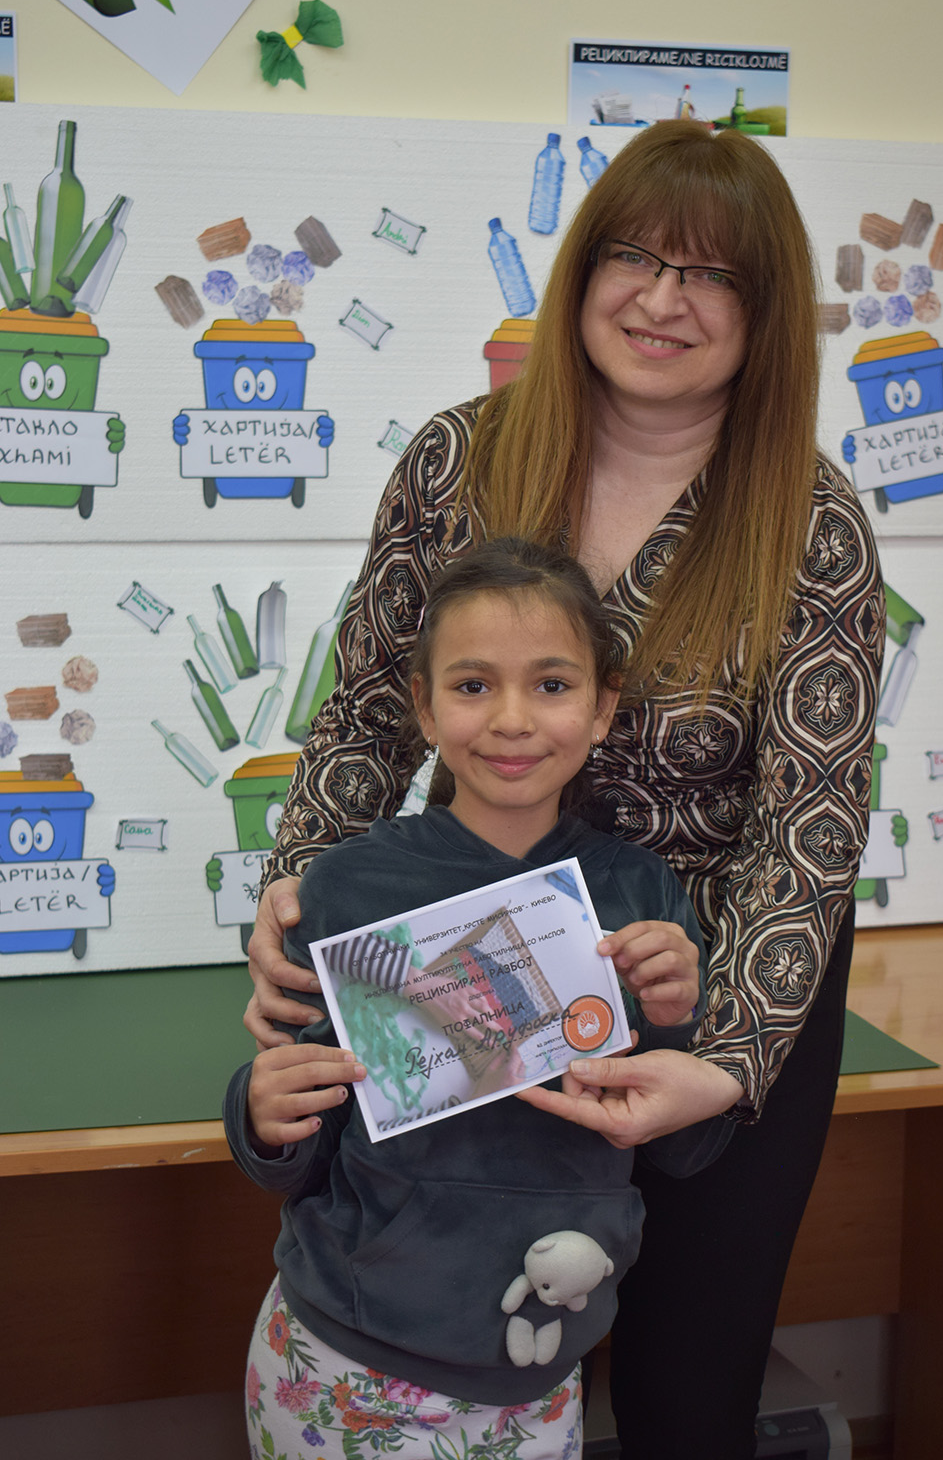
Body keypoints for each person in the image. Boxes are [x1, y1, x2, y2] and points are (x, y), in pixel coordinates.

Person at [243, 120, 885, 1458]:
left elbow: (811, 827)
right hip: (473, 958)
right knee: (464, 1338)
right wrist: (297, 907)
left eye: (711, 276)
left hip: (707, 987)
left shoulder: (811, 521)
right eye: (636, 257)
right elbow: (366, 714)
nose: (662, 300)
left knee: (686, 1393)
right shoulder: (458, 459)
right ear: (584, 268)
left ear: (765, 315)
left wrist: (718, 1064)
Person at [225, 537, 728, 1460]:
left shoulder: (639, 892)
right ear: (423, 707)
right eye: (471, 685)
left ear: (603, 707)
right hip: (342, 1356)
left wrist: (673, 1023)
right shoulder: (346, 888)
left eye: (552, 684)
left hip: (542, 1360)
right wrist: (259, 1116)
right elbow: (294, 1151)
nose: (511, 720)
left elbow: (683, 1149)